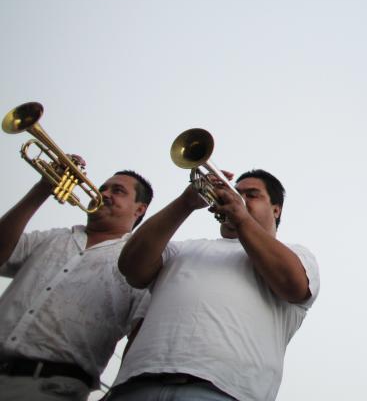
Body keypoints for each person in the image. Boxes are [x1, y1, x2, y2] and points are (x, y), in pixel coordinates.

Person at [112, 169, 318, 401]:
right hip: (135, 386)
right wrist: (185, 203)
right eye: (235, 193)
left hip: (225, 391)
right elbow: (131, 267)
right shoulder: (182, 249)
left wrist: (242, 219)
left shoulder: (297, 254)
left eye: (252, 195)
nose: (239, 199)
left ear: (275, 209)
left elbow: (293, 285)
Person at [0, 166, 153, 401]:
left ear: (140, 209)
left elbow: (140, 337)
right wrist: (42, 189)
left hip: (51, 389)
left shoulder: (137, 262)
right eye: (102, 188)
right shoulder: (53, 237)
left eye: (118, 191)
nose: (103, 193)